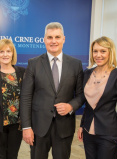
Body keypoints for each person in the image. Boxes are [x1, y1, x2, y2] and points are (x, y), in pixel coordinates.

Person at [20, 22, 84, 159]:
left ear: (63, 39)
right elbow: (25, 97)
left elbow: (81, 95)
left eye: (57, 37)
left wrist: (70, 106)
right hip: (39, 128)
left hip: (64, 127)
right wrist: (26, 127)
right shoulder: (33, 63)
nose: (53, 41)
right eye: (49, 37)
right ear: (44, 40)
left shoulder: (75, 64)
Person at [77, 36, 117, 159]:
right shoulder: (87, 74)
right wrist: (82, 125)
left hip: (108, 133)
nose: (98, 55)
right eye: (95, 51)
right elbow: (88, 105)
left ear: (110, 52)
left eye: (103, 51)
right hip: (88, 132)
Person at [0, 39, 25, 159]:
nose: (5, 54)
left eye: (8, 51)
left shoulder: (22, 72)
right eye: (1, 51)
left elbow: (27, 99)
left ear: (13, 54)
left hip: (17, 127)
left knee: (13, 156)